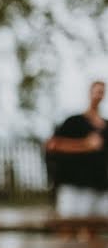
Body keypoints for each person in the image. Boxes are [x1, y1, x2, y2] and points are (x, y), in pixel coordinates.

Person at [45, 80, 108, 218]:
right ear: (89, 93)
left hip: (100, 186)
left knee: (94, 230)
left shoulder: (106, 126)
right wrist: (85, 145)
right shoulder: (74, 122)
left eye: (102, 92)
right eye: (97, 91)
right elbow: (52, 145)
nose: (99, 95)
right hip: (73, 185)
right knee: (68, 228)